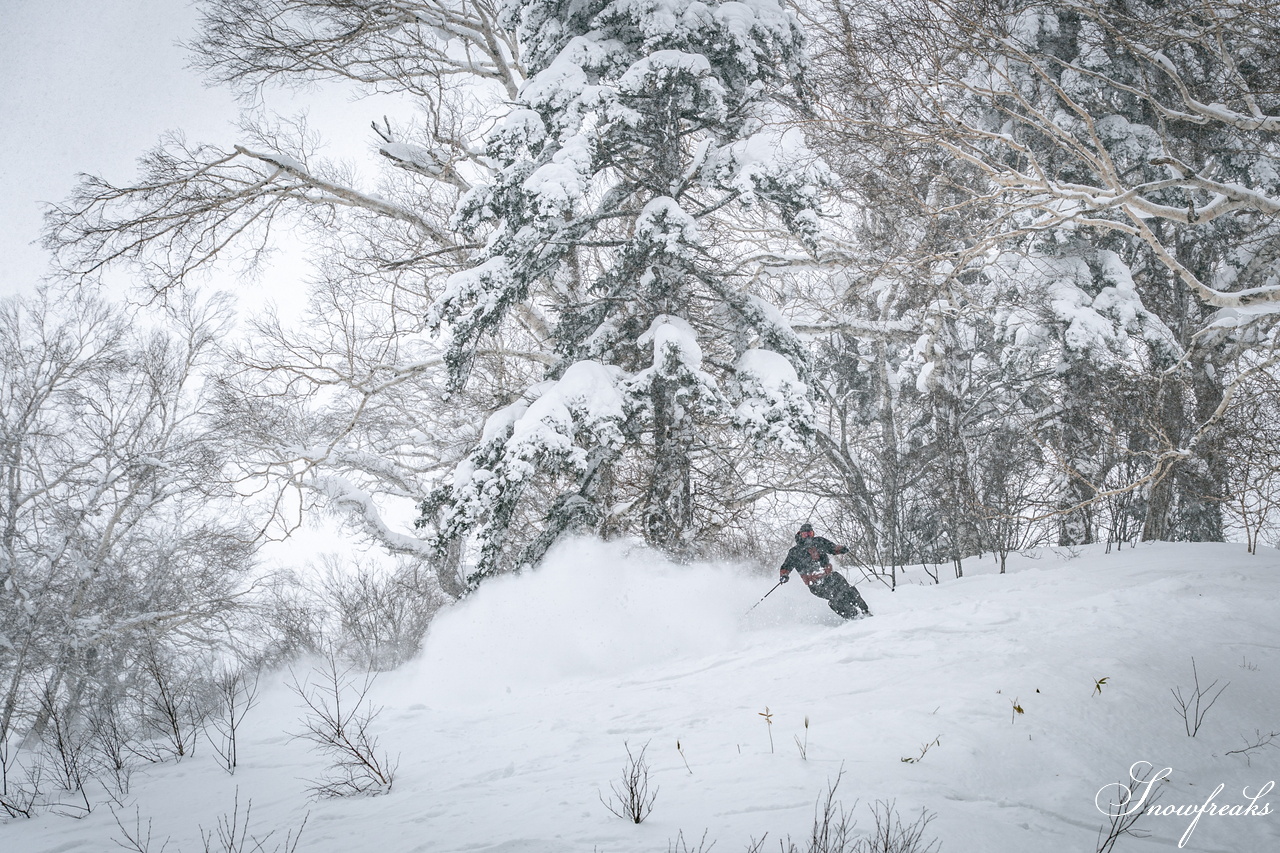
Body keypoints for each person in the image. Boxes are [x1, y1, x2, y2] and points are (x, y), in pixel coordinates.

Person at [779, 523, 871, 619]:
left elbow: (832, 548)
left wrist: (841, 549)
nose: (808, 537)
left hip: (830, 576)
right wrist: (784, 575)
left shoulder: (819, 541)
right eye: (805, 534)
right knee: (836, 597)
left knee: (847, 590)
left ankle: (864, 610)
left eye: (810, 533)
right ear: (800, 535)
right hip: (815, 583)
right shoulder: (795, 552)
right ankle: (853, 616)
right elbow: (786, 566)